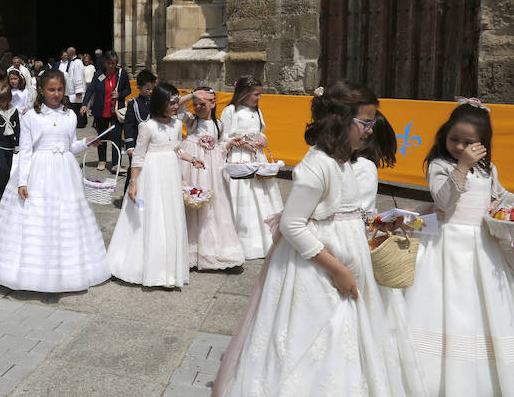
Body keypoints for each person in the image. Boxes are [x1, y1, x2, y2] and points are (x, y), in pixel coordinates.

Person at [212, 80, 426, 397]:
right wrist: (336, 268)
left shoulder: (348, 163)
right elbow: (293, 224)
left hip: (348, 263)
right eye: (366, 122)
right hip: (316, 271)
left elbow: (351, 213)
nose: (370, 130)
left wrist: (379, 227)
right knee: (318, 335)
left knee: (347, 339)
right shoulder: (316, 166)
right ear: (341, 120)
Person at [404, 99, 514, 396]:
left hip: (481, 247)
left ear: (483, 144)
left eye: (469, 143)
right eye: (455, 140)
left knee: (480, 306)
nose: (460, 148)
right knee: (446, 304)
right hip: (447, 245)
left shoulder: (487, 168)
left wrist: (506, 204)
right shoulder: (441, 165)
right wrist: (462, 167)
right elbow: (444, 200)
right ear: (445, 134)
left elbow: (501, 197)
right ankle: (432, 378)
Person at [0, 69, 110, 292]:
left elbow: (70, 145)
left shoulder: (70, 115)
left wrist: (86, 142)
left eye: (60, 90)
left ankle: (68, 269)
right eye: (51, 89)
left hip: (65, 171)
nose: (55, 94)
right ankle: (34, 271)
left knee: (66, 217)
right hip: (39, 170)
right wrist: (23, 181)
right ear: (41, 91)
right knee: (38, 217)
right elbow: (25, 150)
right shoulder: (31, 116)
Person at [106, 84, 208, 288]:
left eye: (176, 102)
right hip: (151, 177)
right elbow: (139, 157)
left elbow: (177, 148)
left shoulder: (177, 124)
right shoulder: (147, 126)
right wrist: (133, 182)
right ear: (161, 103)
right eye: (171, 102)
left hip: (170, 175)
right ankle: (145, 266)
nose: (175, 105)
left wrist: (193, 158)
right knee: (150, 218)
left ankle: (167, 269)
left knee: (168, 218)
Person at [220, 75, 284, 259]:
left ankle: (265, 241)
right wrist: (240, 143)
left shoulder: (257, 112)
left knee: (262, 193)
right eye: (255, 94)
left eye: (259, 94)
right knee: (241, 193)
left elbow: (260, 132)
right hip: (239, 157)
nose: (258, 98)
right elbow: (224, 137)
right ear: (244, 93)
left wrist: (263, 139)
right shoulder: (231, 110)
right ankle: (240, 239)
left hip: (256, 156)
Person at [180, 87, 244, 271]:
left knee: (215, 206)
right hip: (193, 166)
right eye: (196, 105)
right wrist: (192, 96)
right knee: (192, 202)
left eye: (203, 104)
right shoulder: (191, 121)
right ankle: (191, 249)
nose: (198, 107)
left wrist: (230, 143)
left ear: (213, 103)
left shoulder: (219, 124)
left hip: (212, 170)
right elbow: (176, 107)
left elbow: (220, 147)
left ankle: (214, 249)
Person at [81, 50, 131, 171]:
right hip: (101, 110)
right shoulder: (99, 74)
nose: (111, 66)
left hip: (115, 111)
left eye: (113, 63)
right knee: (102, 136)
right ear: (104, 63)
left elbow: (128, 90)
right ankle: (102, 160)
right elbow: (90, 90)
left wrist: (120, 94)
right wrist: (84, 104)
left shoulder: (121, 74)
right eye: (108, 63)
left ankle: (116, 163)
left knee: (116, 137)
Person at [122, 69, 156, 193]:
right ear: (139, 88)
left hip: (152, 144)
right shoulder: (134, 104)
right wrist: (130, 146)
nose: (151, 92)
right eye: (147, 89)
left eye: (153, 88)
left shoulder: (156, 102)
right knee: (134, 170)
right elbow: (128, 125)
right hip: (137, 144)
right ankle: (128, 194)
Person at [58, 46, 86, 128]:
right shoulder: (73, 62)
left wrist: (78, 90)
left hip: (76, 92)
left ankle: (80, 123)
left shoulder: (77, 62)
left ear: (70, 53)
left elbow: (78, 77)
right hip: (72, 91)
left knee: (77, 108)